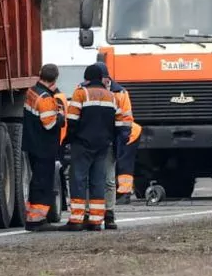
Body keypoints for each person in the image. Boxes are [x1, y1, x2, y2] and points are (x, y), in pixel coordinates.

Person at [62, 63, 123, 231]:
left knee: (79, 180)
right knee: (98, 181)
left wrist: (69, 140)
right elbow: (118, 124)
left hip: (82, 144)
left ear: (87, 78)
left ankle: (77, 220)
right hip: (103, 145)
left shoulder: (81, 93)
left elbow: (72, 121)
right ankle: (96, 221)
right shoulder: (112, 96)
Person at [22, 64, 66, 231]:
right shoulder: (46, 99)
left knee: (36, 181)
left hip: (32, 144)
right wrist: (60, 116)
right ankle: (37, 220)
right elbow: (50, 125)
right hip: (44, 147)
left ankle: (33, 217)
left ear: (40, 74)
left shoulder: (32, 91)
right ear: (55, 78)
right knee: (43, 182)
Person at [97, 61, 134, 230]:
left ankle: (109, 213)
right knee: (93, 178)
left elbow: (126, 120)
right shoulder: (87, 90)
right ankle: (93, 215)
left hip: (110, 142)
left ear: (106, 79)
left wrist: (121, 141)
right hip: (93, 142)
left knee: (109, 180)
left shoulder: (120, 93)